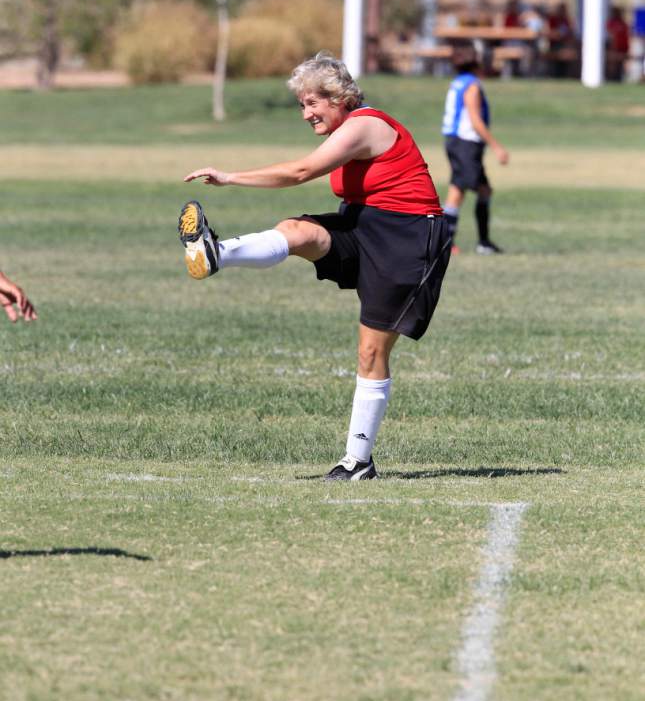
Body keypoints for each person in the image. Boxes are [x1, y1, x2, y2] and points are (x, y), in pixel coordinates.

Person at [178, 51, 451, 481]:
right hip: (363, 224)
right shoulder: (345, 129)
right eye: (302, 104)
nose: (306, 113)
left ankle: (358, 462)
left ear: (339, 97)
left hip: (409, 237)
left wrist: (229, 177)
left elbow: (301, 171)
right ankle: (216, 253)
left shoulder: (365, 125)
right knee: (297, 231)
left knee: (371, 350)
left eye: (312, 103)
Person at [442, 43, 509, 255]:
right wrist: (497, 147)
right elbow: (475, 121)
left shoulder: (458, 82)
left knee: (484, 190)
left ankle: (484, 243)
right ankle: (445, 243)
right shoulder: (472, 86)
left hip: (457, 142)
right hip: (465, 144)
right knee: (457, 192)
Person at [606, 5, 630, 82]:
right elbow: (610, 36)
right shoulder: (611, 23)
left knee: (620, 65)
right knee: (613, 65)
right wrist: (612, 49)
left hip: (623, 49)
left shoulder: (623, 23)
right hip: (613, 49)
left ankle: (618, 78)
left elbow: (626, 36)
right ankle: (611, 79)